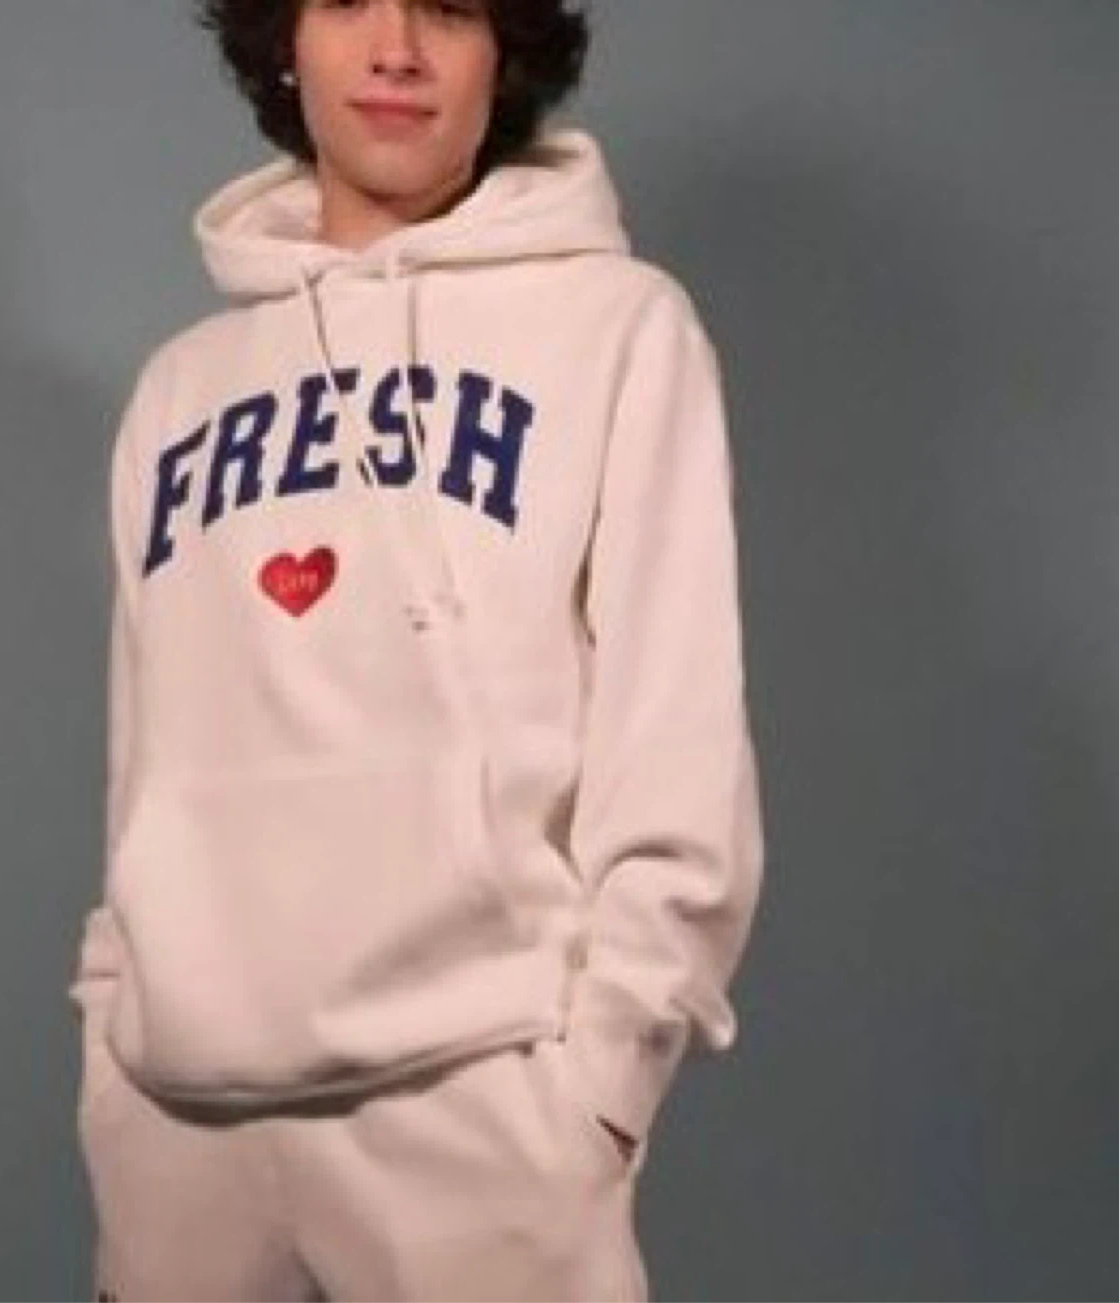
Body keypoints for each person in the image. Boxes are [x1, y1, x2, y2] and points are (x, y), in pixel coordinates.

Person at [68, 0, 764, 1298]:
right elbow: (147, 771)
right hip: (180, 1137)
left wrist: (598, 1098)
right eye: (348, 0)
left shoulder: (618, 329)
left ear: (508, 50)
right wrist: (113, 1049)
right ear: (285, 39)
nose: (396, 47)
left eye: (448, 6)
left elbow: (676, 740)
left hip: (480, 1118)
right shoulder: (180, 388)